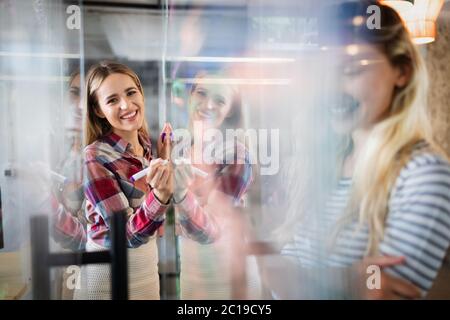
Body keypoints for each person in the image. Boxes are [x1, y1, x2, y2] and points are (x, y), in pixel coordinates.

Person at [270, 0, 450, 299]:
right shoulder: (327, 163)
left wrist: (306, 280)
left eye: (352, 70)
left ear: (401, 72)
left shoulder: (425, 174)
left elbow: (380, 293)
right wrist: (345, 280)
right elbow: (285, 282)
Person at [75, 61, 173, 300]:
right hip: (106, 280)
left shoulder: (146, 144)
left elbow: (151, 226)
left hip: (146, 274)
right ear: (98, 110)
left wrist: (164, 159)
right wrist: (160, 195)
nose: (126, 105)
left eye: (131, 93)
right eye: (112, 100)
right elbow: (126, 235)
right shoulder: (93, 157)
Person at [171, 70, 260, 299]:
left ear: (230, 109)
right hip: (191, 270)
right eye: (201, 93)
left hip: (226, 273)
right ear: (190, 96)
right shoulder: (178, 150)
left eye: (220, 100)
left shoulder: (238, 156)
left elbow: (208, 228)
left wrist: (178, 199)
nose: (208, 104)